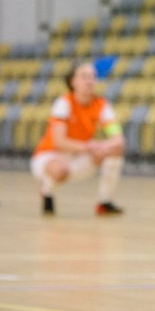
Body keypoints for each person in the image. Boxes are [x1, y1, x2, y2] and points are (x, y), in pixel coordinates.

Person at [30, 61, 126, 216]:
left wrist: (102, 146)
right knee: (60, 170)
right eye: (84, 77)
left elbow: (118, 139)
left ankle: (105, 201)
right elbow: (60, 142)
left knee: (115, 151)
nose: (90, 81)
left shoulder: (101, 105)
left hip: (78, 156)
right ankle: (47, 190)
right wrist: (88, 146)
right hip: (50, 154)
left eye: (93, 77)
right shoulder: (64, 103)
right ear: (73, 81)